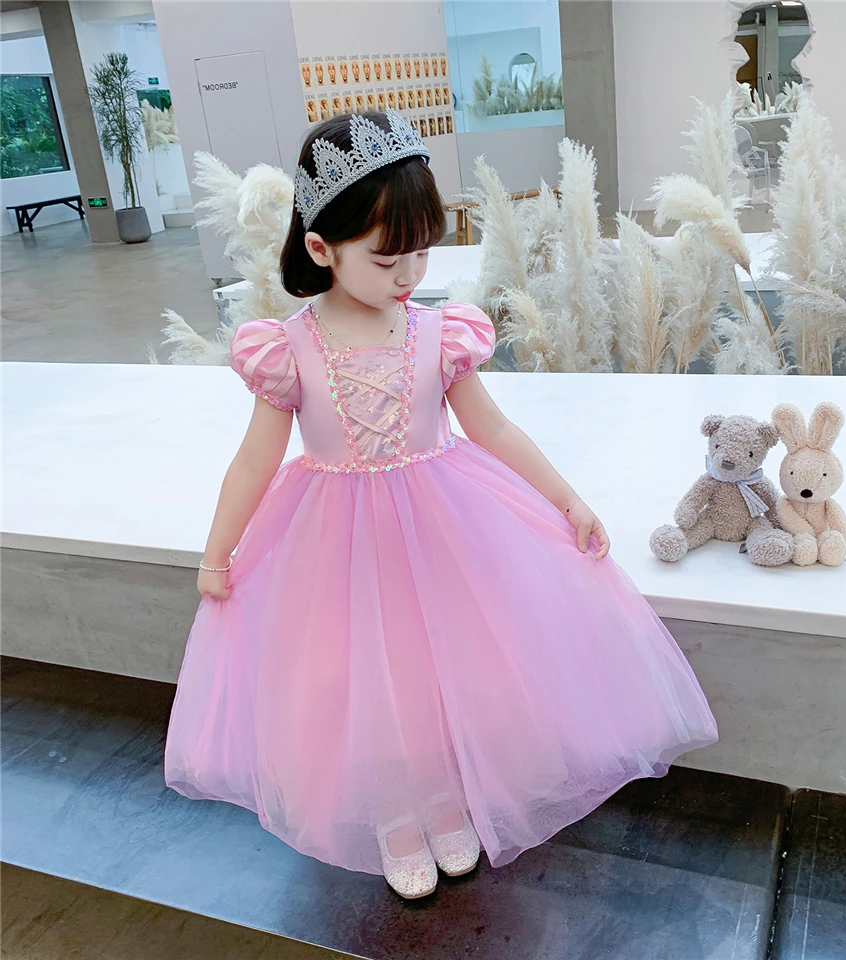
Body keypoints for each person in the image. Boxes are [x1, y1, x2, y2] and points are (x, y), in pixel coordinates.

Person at [164, 109, 717, 901]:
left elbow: (492, 426)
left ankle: (450, 800)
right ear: (321, 250)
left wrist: (566, 499)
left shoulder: (438, 333)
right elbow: (256, 458)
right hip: (337, 549)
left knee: (454, 673)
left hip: (444, 532)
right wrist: (219, 552)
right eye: (387, 257)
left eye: (421, 252)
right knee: (365, 683)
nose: (408, 274)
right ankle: (397, 813)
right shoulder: (289, 348)